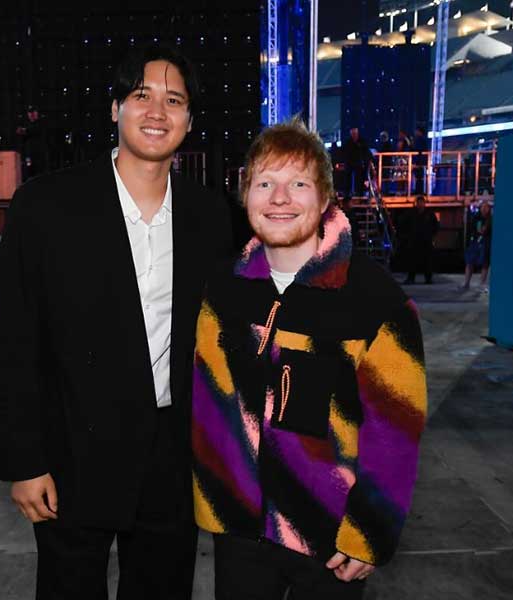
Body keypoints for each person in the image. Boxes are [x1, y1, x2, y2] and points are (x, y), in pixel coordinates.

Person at [0, 44, 232, 600]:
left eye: (174, 100)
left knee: (163, 587)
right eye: (141, 95)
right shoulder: (45, 206)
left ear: (189, 121)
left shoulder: (209, 215)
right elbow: (13, 345)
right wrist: (24, 462)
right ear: (115, 107)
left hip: (170, 453)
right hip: (73, 449)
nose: (157, 112)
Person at [192, 119, 427, 600]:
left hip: (330, 539)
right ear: (245, 196)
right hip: (239, 531)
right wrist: (212, 493)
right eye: (265, 183)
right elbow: (205, 402)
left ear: (324, 199)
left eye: (298, 183)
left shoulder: (378, 304)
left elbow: (395, 433)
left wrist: (370, 532)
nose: (280, 198)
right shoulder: (222, 291)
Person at [401, 195, 439, 284]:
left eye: (422, 202)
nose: (420, 204)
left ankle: (428, 278)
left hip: (426, 241)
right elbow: (404, 224)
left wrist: (432, 236)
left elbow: (436, 226)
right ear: (416, 203)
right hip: (414, 240)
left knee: (428, 261)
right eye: (418, 203)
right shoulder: (411, 213)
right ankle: (411, 278)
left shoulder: (429, 214)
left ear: (424, 203)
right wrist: (407, 236)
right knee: (412, 260)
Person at [461, 200, 492, 291]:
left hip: (486, 243)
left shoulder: (491, 219)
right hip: (475, 242)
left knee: (485, 263)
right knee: (469, 262)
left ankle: (482, 284)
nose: (484, 209)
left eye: (486, 207)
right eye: (482, 207)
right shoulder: (476, 217)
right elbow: (475, 230)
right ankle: (466, 283)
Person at [17, 105, 50, 180]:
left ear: (37, 113)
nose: (31, 115)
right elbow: (21, 136)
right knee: (29, 172)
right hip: (29, 155)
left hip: (39, 155)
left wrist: (24, 130)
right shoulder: (26, 123)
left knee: (40, 175)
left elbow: (33, 130)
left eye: (33, 112)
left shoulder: (41, 123)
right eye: (30, 113)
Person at [340, 127, 371, 199]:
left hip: (359, 163)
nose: (354, 135)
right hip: (350, 163)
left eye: (355, 133)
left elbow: (366, 152)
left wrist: (366, 160)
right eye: (353, 134)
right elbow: (344, 152)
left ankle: (359, 192)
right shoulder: (348, 142)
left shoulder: (362, 142)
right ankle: (347, 193)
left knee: (360, 178)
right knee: (347, 177)